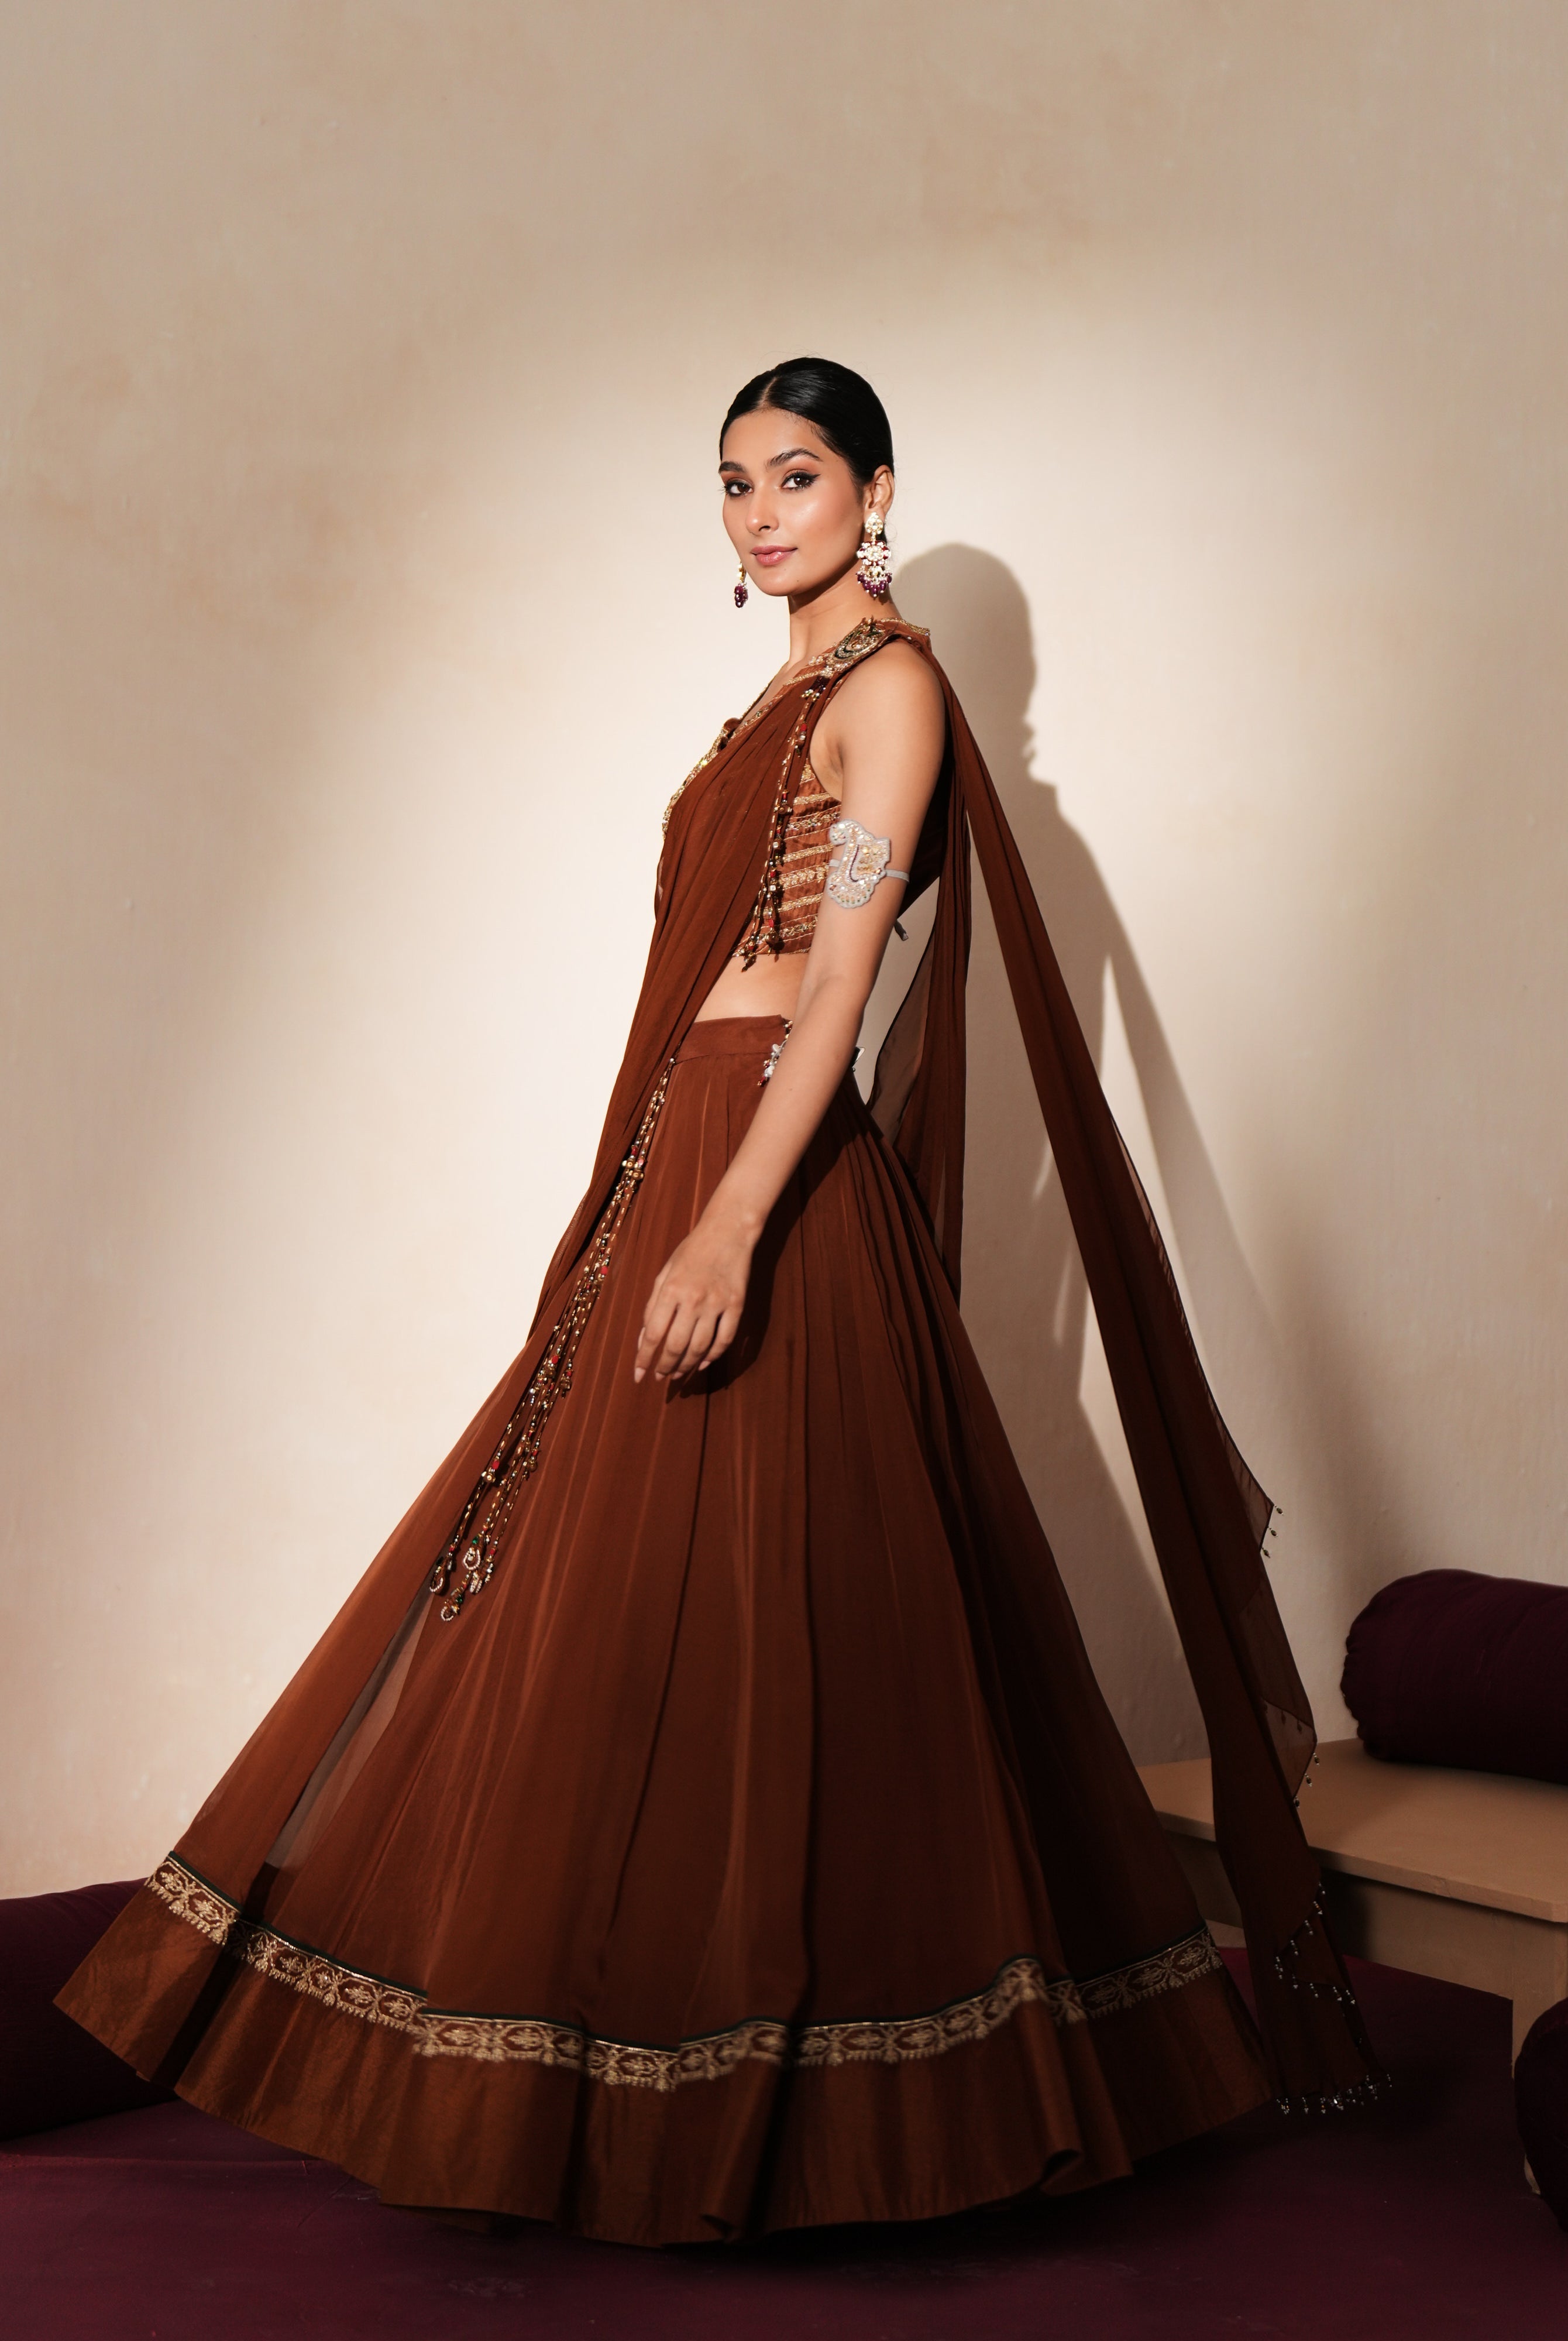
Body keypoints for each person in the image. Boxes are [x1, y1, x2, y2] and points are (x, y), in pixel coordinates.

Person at [60, 359, 1378, 2247]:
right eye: (736, 482)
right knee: (631, 1617)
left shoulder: (893, 690)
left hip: (762, 1169)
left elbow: (840, 989)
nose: (764, 511)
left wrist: (733, 1230)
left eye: (801, 474)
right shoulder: (773, 694)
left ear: (878, 487)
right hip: (688, 1153)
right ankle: (619, 2074)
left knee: (782, 1619)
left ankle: (831, 2113)